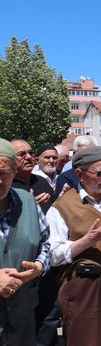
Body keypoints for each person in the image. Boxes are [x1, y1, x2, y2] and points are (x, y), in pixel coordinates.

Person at [48, 146, 101, 346]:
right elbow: (52, 255)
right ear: (80, 174)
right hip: (84, 286)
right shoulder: (62, 206)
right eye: (100, 173)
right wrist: (88, 240)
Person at [0, 138, 51, 346]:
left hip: (21, 319)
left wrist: (38, 267)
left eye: (3, 174)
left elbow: (46, 245)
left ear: (14, 170)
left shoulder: (28, 202)